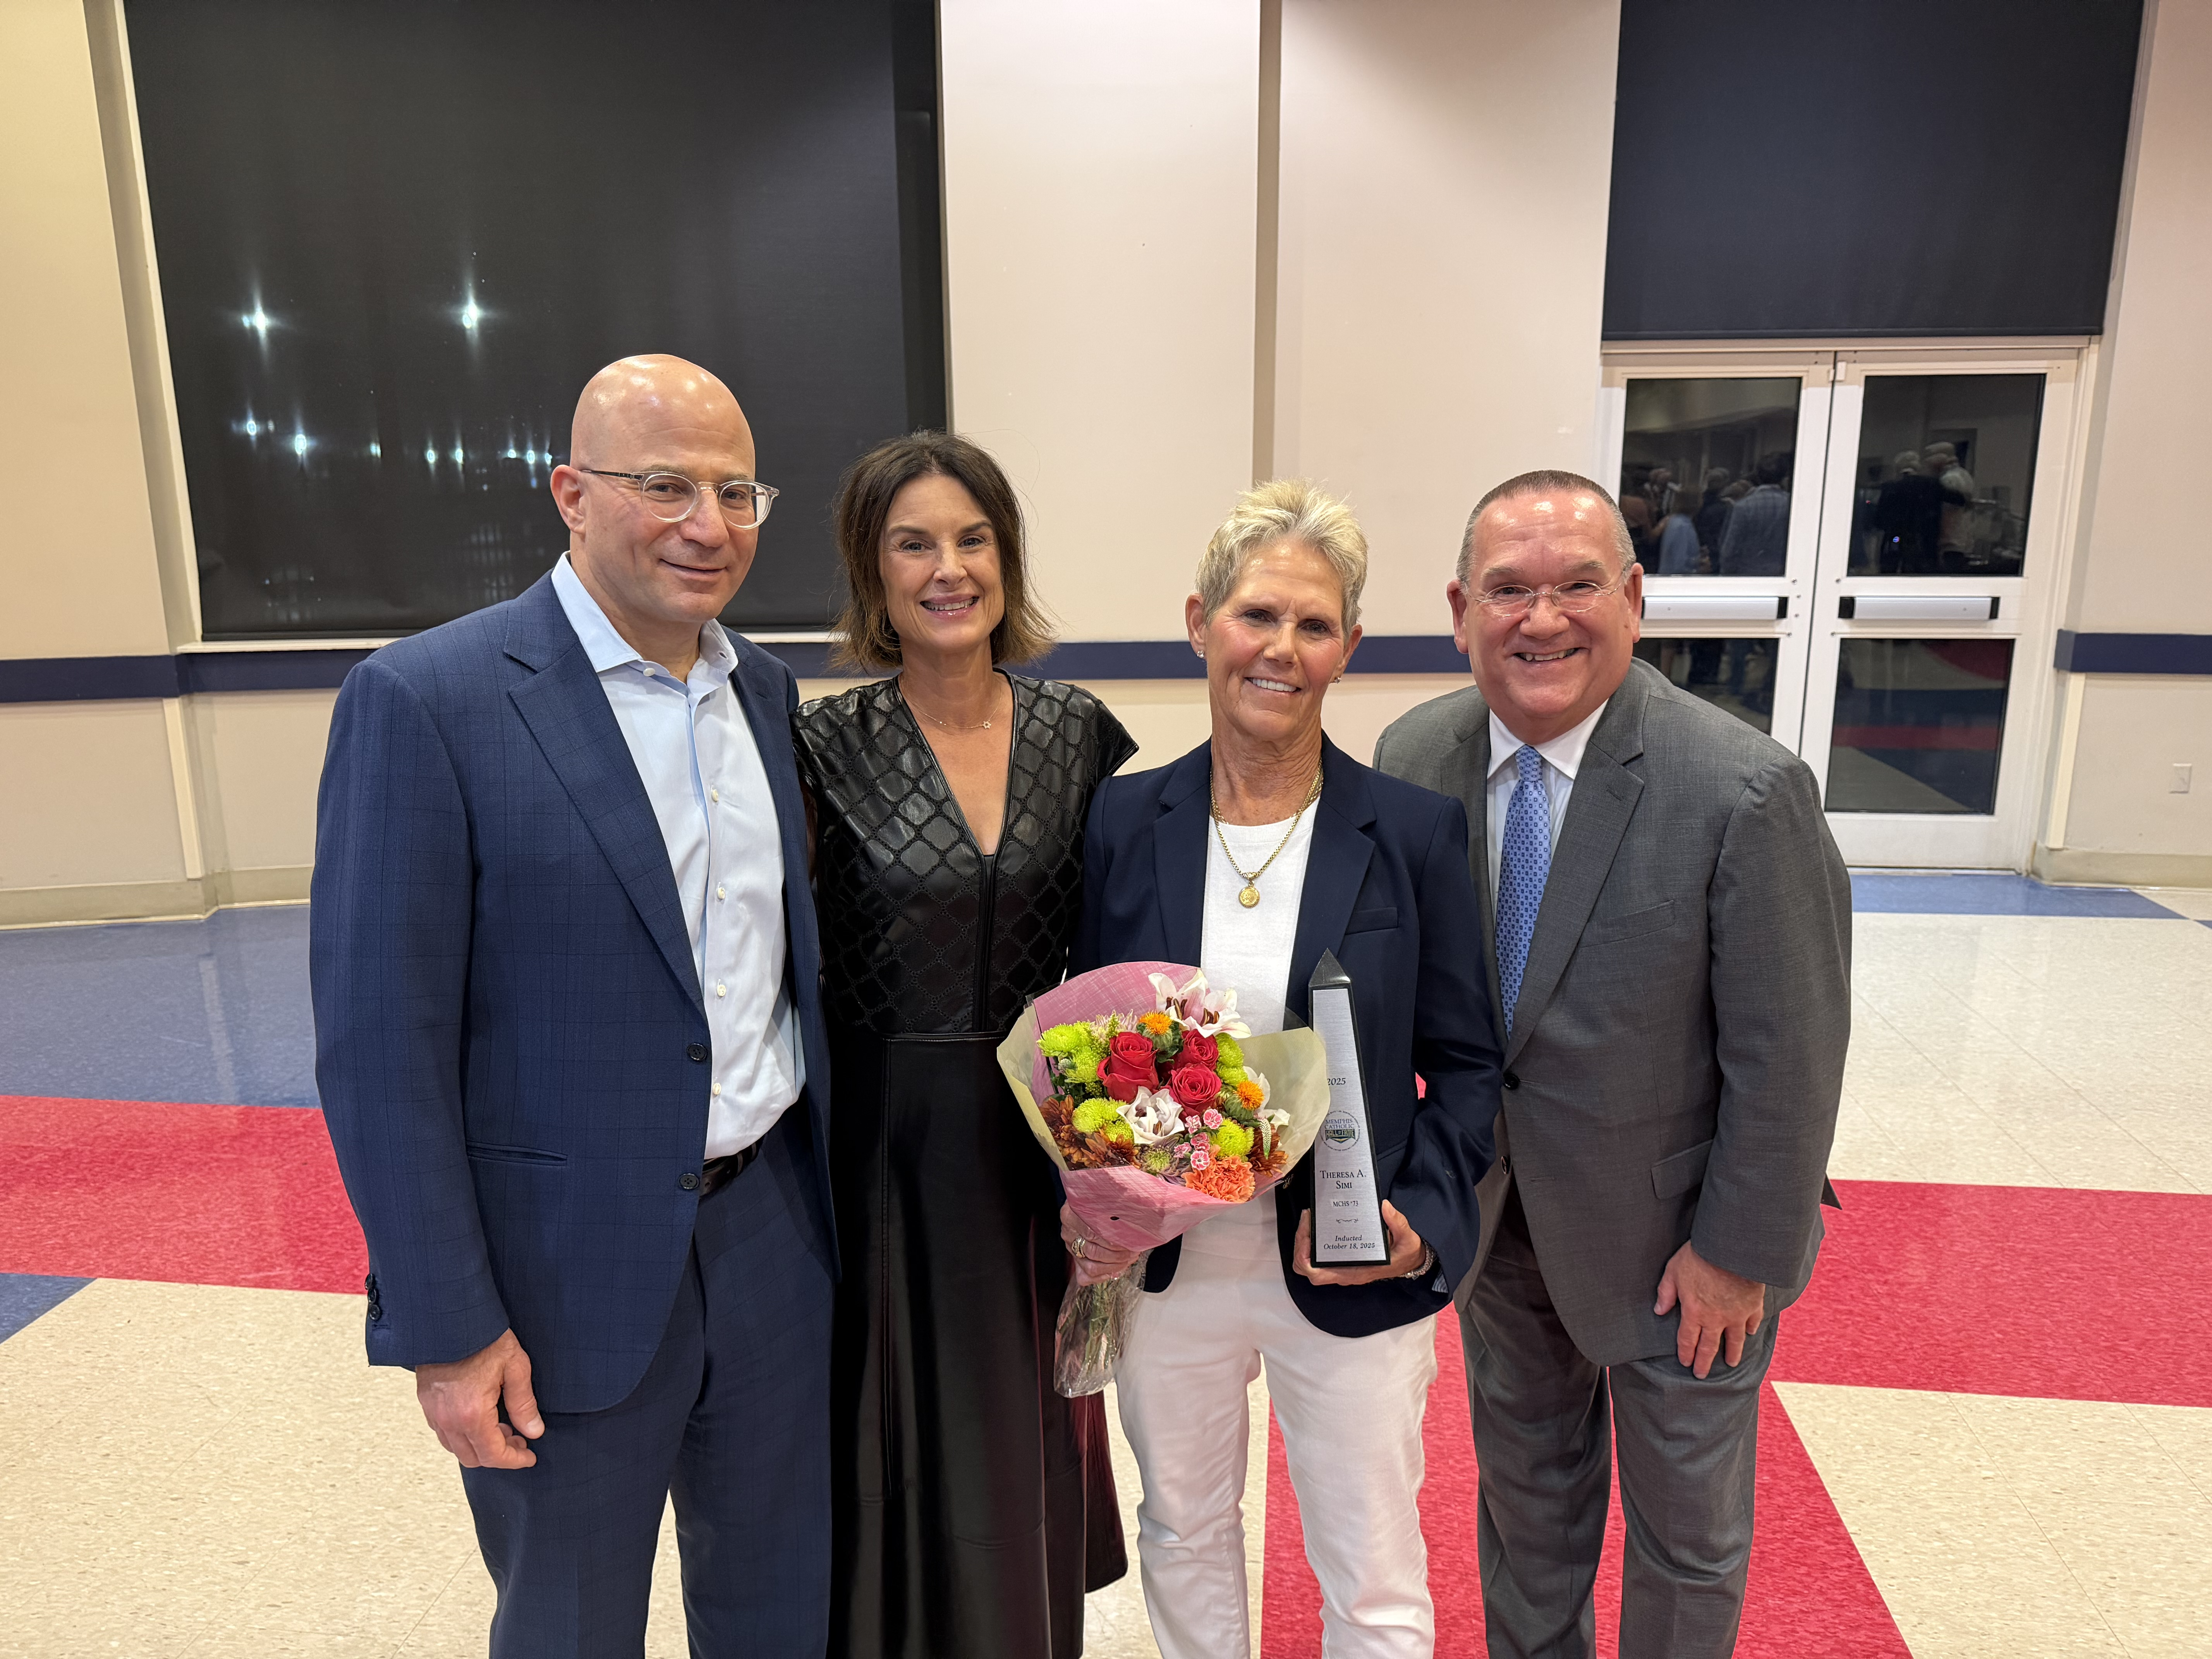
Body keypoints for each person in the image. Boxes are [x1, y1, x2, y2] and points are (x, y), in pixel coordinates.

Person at [311, 355, 838, 1656]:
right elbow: (381, 1049)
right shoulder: (428, 701)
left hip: (774, 1246)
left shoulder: (764, 693)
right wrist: (447, 1328)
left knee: (782, 1613)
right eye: (665, 485)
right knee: (569, 1625)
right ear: (571, 493)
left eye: (736, 491)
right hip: (556, 1279)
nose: (708, 525)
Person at [1373, 470, 1850, 1659]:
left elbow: (1791, 1054)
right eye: (1507, 590)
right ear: (1460, 610)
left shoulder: (1742, 789)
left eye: (1577, 584)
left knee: (1685, 1540)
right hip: (1500, 1227)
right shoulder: (1414, 755)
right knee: (1526, 1512)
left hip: (1681, 1250)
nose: (1542, 619)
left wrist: (1737, 1255)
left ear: (1633, 597)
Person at [1070, 479, 1501, 1659]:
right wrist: (1093, 1194)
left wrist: (1423, 1216)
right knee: (1183, 1528)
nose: (1282, 648)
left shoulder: (1409, 831)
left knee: (1370, 1565)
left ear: (1348, 648)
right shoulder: (1120, 823)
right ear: (1199, 622)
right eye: (1257, 615)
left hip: (1352, 1258)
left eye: (1314, 625)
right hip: (1172, 1267)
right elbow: (1082, 1042)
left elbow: (1469, 1065)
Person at [793, 432, 1135, 1657]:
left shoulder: (1078, 734)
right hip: (882, 1143)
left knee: (1020, 1415)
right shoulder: (821, 748)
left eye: (972, 539)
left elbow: (1114, 950)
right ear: (871, 570)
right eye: (914, 544)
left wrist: (1126, 1160)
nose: (949, 569)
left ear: (1007, 555)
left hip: (1037, 1142)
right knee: (889, 1420)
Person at [1715, 449, 1791, 575]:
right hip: (1783, 574)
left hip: (1748, 575)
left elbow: (1730, 549)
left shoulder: (1743, 507)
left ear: (1757, 476)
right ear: (1784, 477)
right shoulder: (1791, 505)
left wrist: (1726, 575)